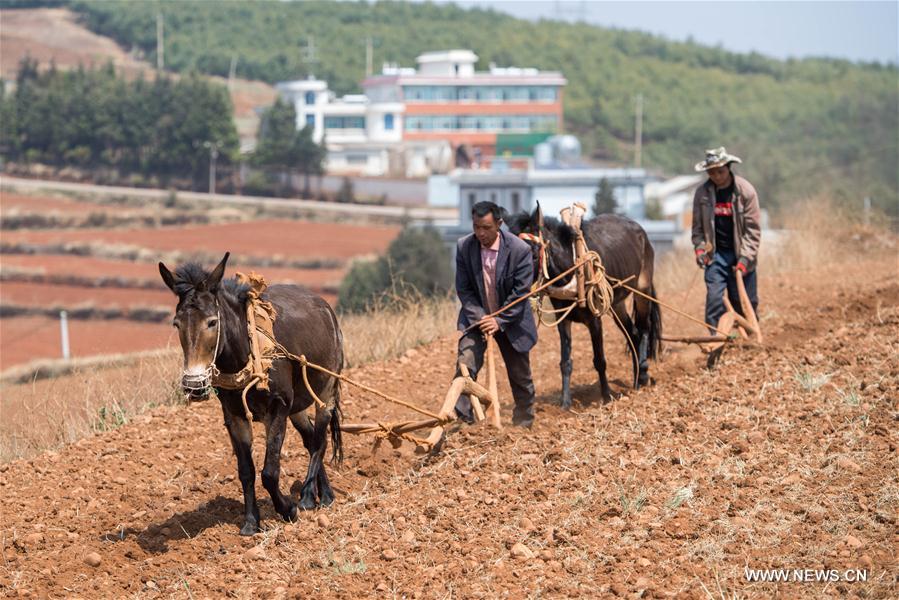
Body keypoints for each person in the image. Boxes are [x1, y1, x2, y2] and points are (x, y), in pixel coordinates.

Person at [454, 201, 538, 427]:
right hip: (477, 320)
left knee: (520, 375)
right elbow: (464, 290)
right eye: (476, 227)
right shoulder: (464, 247)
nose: (481, 233)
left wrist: (499, 320)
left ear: (499, 224)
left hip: (511, 321)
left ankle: (524, 421)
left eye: (486, 228)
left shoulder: (520, 250)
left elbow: (520, 294)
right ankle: (464, 422)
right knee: (465, 365)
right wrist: (481, 317)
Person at [691, 147, 762, 333]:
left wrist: (745, 259)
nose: (717, 176)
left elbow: (753, 231)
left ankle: (749, 336)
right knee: (714, 300)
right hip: (716, 256)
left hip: (741, 255)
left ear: (729, 168)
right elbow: (697, 230)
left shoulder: (745, 192)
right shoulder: (702, 194)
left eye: (720, 171)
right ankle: (716, 339)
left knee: (744, 300)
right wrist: (700, 250)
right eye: (711, 172)